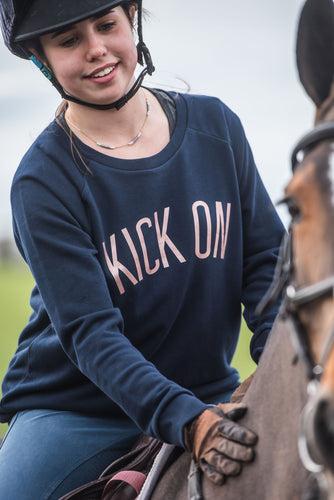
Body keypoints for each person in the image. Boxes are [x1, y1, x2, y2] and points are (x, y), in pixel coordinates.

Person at [0, 0, 285, 498]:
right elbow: (91, 335)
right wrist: (187, 421)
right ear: (37, 56)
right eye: (68, 41)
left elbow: (267, 270)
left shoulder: (217, 128)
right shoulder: (42, 181)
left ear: (131, 18)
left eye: (107, 25)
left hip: (210, 390)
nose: (96, 50)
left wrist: (285, 369)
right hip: (82, 412)